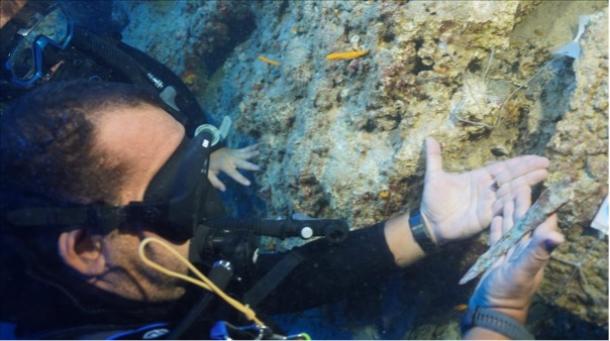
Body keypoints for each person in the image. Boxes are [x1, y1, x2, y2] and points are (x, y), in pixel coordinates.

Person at [0, 1, 562, 340]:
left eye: (200, 158)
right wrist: (500, 314)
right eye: (178, 189)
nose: (209, 203)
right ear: (84, 249)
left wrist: (425, 227)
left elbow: (257, 287)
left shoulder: (129, 279)